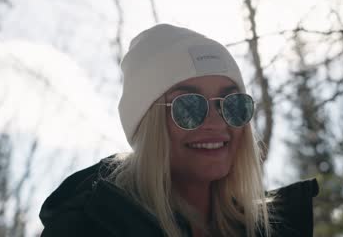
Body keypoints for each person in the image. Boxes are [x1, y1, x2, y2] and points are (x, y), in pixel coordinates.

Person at [39, 24, 319, 237]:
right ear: (146, 125)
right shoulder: (88, 226)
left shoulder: (273, 227)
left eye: (232, 105)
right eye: (188, 106)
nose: (217, 122)